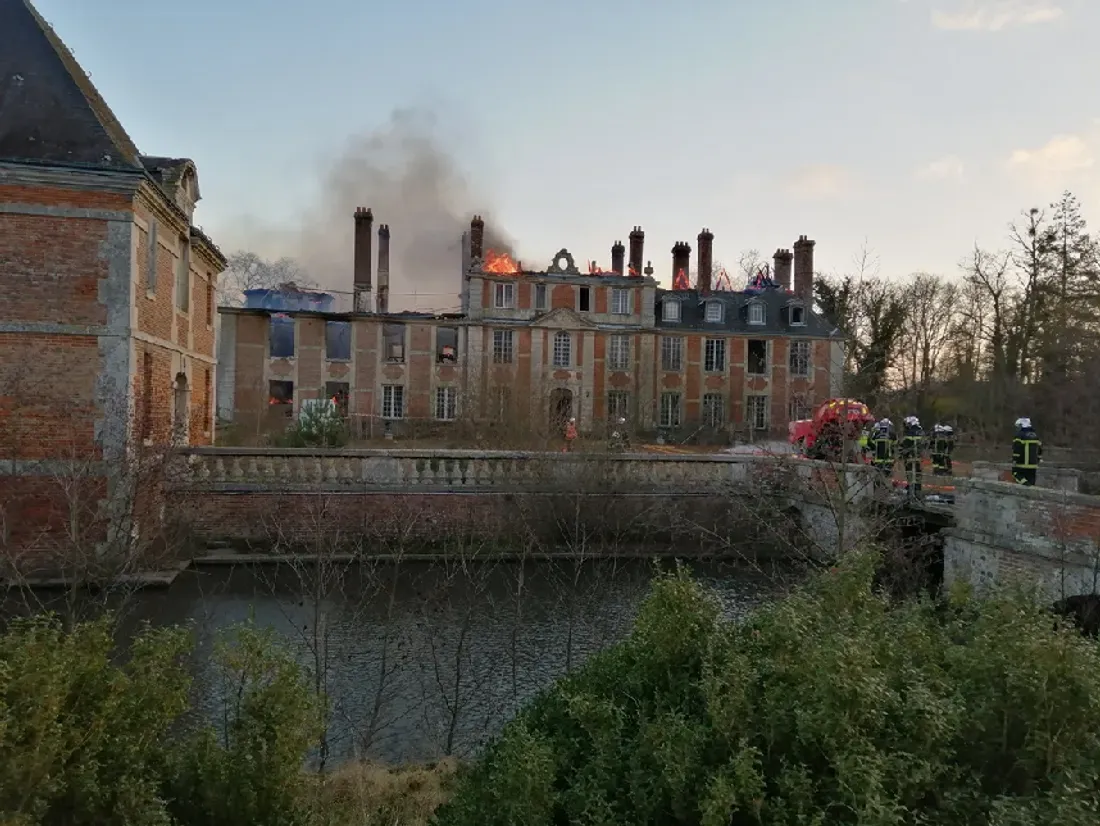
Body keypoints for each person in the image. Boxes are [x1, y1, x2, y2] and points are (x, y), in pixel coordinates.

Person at [1012, 417, 1041, 486]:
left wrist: (1014, 460)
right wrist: (1038, 460)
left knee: (1016, 474)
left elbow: (1017, 450)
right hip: (1033, 465)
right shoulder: (1035, 435)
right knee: (1031, 479)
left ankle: (1027, 485)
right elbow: (1040, 450)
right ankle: (1031, 490)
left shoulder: (1019, 436)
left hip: (1022, 464)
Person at [900, 415, 924, 497]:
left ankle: (911, 491)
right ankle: (917, 490)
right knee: (918, 475)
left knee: (910, 474)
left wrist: (902, 454)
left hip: (909, 458)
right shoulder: (921, 431)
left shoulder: (909, 433)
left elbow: (904, 446)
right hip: (918, 458)